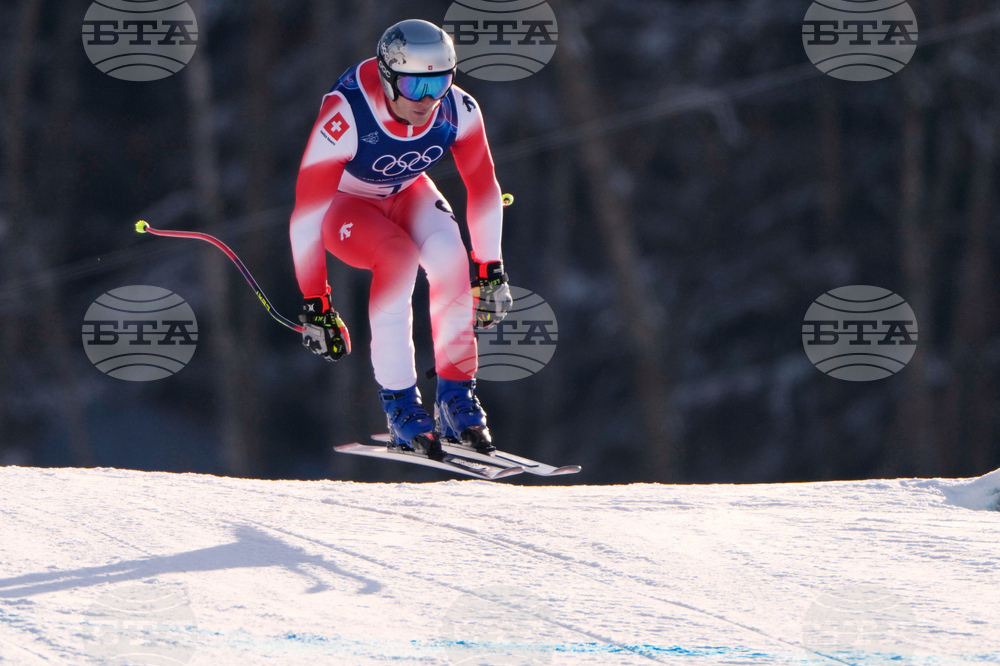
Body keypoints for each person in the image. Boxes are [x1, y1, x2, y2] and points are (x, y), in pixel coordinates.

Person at [288, 19, 512, 459]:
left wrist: (490, 270)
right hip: (343, 206)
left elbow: (484, 188)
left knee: (450, 253)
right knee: (398, 258)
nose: (427, 100)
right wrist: (317, 303)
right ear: (388, 76)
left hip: (404, 190)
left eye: (440, 83)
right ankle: (400, 405)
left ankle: (455, 397)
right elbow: (305, 217)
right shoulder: (346, 114)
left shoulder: (459, 110)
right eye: (414, 85)